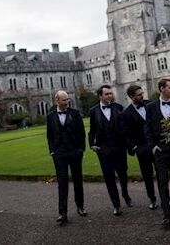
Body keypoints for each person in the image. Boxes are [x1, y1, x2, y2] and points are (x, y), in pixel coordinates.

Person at [145, 79, 170, 228]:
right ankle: (166, 215)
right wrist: (153, 146)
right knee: (163, 181)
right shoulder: (150, 107)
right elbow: (147, 129)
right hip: (160, 150)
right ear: (162, 89)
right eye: (169, 87)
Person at [46, 90, 87, 225]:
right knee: (62, 184)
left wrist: (81, 149)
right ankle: (62, 213)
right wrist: (53, 152)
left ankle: (80, 207)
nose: (67, 102)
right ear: (57, 101)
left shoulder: (75, 114)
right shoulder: (50, 116)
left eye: (67, 99)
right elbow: (50, 136)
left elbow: (82, 133)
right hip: (60, 154)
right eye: (64, 100)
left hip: (75, 152)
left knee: (78, 181)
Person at [89, 85, 131, 216]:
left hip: (119, 148)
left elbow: (125, 128)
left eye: (110, 94)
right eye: (106, 94)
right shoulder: (93, 111)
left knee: (123, 174)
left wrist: (126, 144)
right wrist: (91, 144)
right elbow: (92, 130)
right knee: (109, 177)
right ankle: (116, 205)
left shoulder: (118, 108)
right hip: (104, 149)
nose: (109, 96)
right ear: (100, 96)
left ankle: (125, 193)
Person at [120, 84, 158, 210]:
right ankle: (152, 199)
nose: (142, 96)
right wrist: (135, 148)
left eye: (142, 93)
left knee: (161, 173)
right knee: (147, 176)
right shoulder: (126, 113)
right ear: (131, 97)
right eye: (139, 94)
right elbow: (125, 134)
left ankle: (165, 197)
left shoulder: (151, 104)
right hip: (142, 149)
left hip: (156, 146)